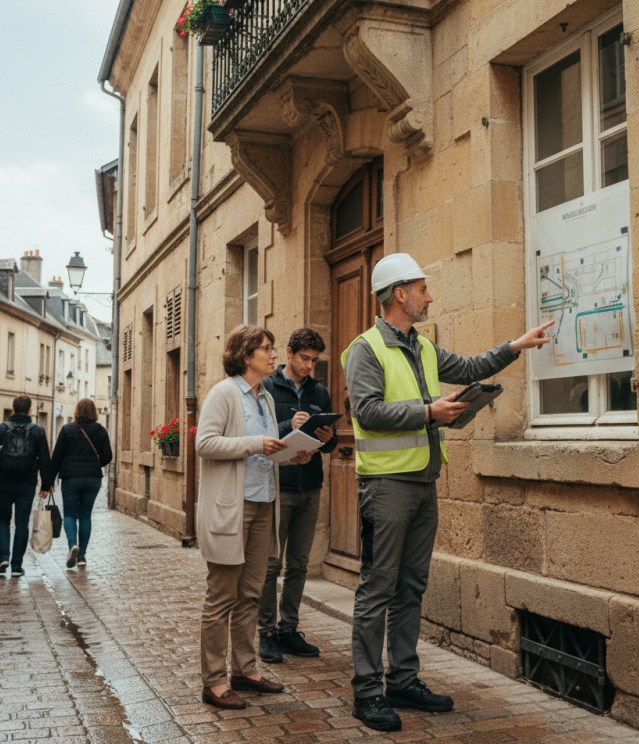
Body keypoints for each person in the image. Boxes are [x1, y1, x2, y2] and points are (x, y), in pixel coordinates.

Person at [341, 253, 554, 732]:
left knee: (411, 587)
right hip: (386, 487)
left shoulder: (422, 346)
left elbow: (470, 365)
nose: (429, 297)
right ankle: (367, 692)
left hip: (423, 481)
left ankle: (402, 680)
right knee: (377, 588)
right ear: (400, 294)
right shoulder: (365, 349)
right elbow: (366, 412)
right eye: (422, 289)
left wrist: (516, 346)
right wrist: (428, 412)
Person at [195, 324, 291, 711]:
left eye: (272, 347)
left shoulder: (265, 398)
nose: (274, 354)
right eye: (267, 348)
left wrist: (290, 452)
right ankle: (214, 681)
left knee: (251, 593)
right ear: (246, 355)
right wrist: (255, 443)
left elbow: (263, 451)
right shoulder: (224, 393)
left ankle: (245, 670)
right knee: (221, 596)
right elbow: (205, 443)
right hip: (231, 508)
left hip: (264, 502)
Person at [258, 328, 338, 663]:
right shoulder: (266, 387)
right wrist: (288, 425)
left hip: (310, 485)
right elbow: (257, 436)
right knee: (271, 564)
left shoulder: (319, 391)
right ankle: (266, 633)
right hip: (279, 485)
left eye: (314, 361)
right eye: (304, 358)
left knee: (299, 564)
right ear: (289, 353)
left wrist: (328, 437)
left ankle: (289, 629)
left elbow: (331, 444)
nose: (309, 366)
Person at [0, 395, 53, 577]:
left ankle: (3, 557)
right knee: (22, 523)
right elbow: (45, 460)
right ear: (30, 411)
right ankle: (16, 566)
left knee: (3, 520)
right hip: (26, 483)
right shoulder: (37, 432)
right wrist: (46, 485)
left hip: (3, 482)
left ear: (13, 409)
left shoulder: (0, 430)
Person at [50, 398, 113, 569]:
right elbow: (108, 456)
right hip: (92, 478)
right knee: (85, 515)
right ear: (94, 412)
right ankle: (82, 556)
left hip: (70, 478)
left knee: (70, 514)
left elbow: (56, 457)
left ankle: (73, 544)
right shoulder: (100, 431)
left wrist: (49, 481)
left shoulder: (67, 430)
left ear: (77, 411)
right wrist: (95, 464)